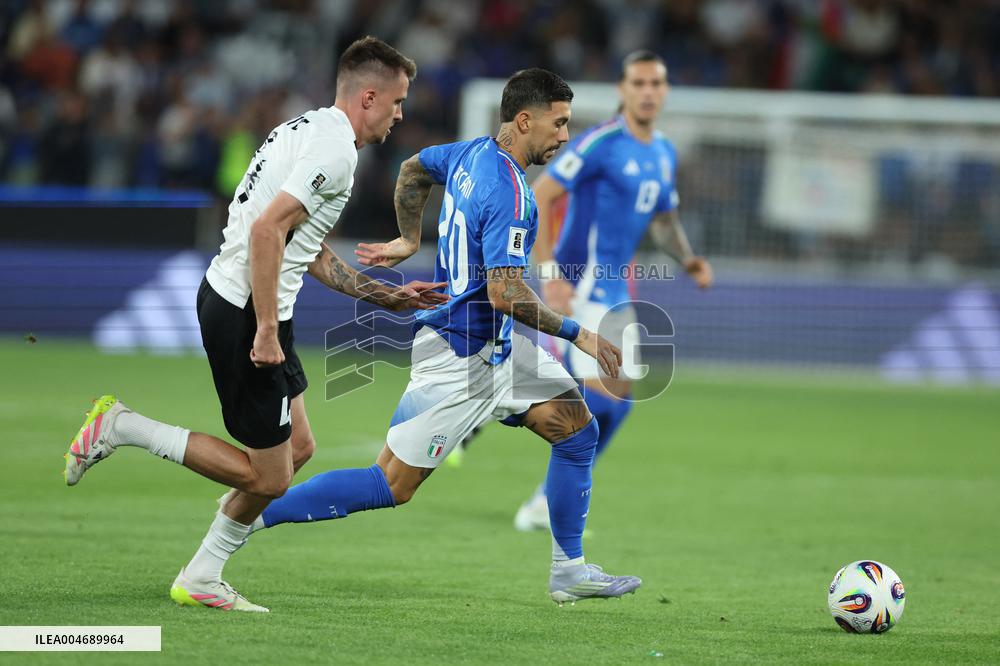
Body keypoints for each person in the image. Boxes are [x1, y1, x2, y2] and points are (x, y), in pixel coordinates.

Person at [63, 37, 447, 612]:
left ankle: (202, 574)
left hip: (253, 306)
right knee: (270, 479)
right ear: (369, 97)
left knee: (300, 448)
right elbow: (267, 231)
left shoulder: (306, 129)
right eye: (396, 102)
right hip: (247, 313)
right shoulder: (335, 154)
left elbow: (304, 246)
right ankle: (123, 427)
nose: (400, 115)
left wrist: (384, 296)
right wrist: (266, 329)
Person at [248, 68, 642, 605]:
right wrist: (582, 337)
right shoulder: (513, 194)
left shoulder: (467, 154)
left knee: (577, 430)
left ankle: (568, 569)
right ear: (525, 121)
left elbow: (413, 169)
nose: (565, 136)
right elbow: (506, 295)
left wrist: (410, 236)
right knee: (389, 485)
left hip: (497, 350)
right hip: (461, 357)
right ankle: (248, 514)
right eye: (560, 123)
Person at [512, 51, 714, 531]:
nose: (648, 91)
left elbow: (663, 220)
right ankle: (548, 495)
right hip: (580, 287)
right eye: (639, 82)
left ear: (664, 91)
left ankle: (548, 495)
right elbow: (541, 194)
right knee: (601, 401)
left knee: (619, 405)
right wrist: (549, 272)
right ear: (623, 90)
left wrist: (687, 259)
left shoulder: (663, 151)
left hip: (615, 292)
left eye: (656, 83)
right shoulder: (600, 143)